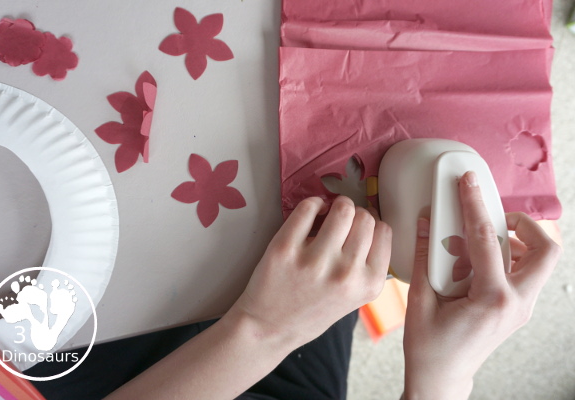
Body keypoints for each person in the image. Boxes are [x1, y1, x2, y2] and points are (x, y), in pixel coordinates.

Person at [31, 171, 561, 399]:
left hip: (104, 383)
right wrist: (444, 383)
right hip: (293, 380)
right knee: (320, 214)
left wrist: (263, 330)